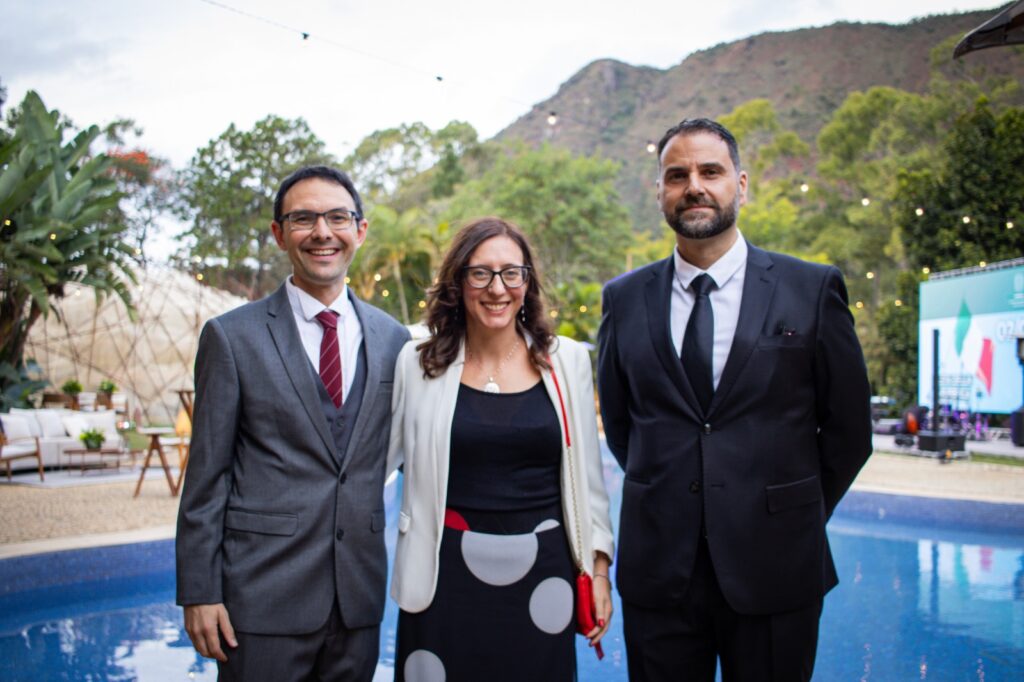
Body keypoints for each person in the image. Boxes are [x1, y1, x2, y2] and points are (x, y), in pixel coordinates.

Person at [597, 119, 872, 681]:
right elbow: (623, 427)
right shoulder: (623, 300)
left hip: (778, 564)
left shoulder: (811, 289)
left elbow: (850, 431)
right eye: (677, 175)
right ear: (660, 191)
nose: (694, 186)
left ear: (741, 185)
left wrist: (790, 512)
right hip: (660, 572)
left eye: (711, 171)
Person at [176, 165, 410, 680]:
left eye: (337, 218)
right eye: (303, 219)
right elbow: (206, 477)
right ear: (279, 234)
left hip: (358, 600)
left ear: (360, 230)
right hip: (261, 599)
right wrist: (199, 592)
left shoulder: (395, 340)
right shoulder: (231, 337)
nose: (322, 232)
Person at [387, 217, 615, 681]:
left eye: (511, 273)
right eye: (481, 273)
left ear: (527, 282)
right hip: (441, 574)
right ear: (458, 282)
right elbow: (375, 465)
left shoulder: (566, 360)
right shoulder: (417, 361)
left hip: (544, 575)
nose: (497, 288)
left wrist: (599, 570)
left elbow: (588, 481)